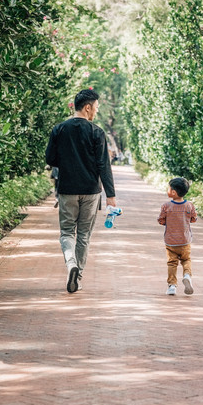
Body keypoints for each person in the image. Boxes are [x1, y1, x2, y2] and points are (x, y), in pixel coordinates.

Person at [46, 89, 117, 293]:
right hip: (91, 191)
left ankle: (71, 264)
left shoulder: (59, 129)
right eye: (96, 107)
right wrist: (110, 196)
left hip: (68, 189)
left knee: (67, 232)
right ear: (87, 107)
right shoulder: (96, 132)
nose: (96, 111)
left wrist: (67, 161)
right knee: (84, 234)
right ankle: (79, 275)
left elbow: (50, 159)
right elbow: (104, 165)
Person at [157, 177, 197, 296]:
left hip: (170, 242)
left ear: (173, 192)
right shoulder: (189, 206)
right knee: (186, 260)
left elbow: (161, 220)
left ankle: (172, 286)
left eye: (168, 188)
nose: (167, 190)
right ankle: (187, 275)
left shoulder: (166, 206)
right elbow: (193, 219)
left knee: (172, 263)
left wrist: (167, 222)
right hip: (185, 241)